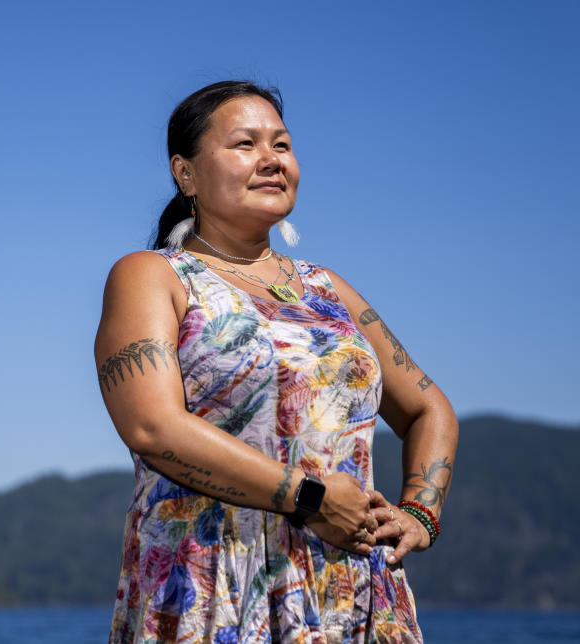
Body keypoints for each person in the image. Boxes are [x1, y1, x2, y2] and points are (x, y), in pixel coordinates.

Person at [94, 80, 458, 643]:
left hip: (350, 587)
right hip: (212, 583)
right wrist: (310, 498)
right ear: (185, 172)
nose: (271, 160)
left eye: (282, 145)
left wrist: (420, 513)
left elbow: (428, 408)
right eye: (245, 144)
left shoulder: (327, 288)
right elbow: (151, 426)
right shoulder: (152, 275)